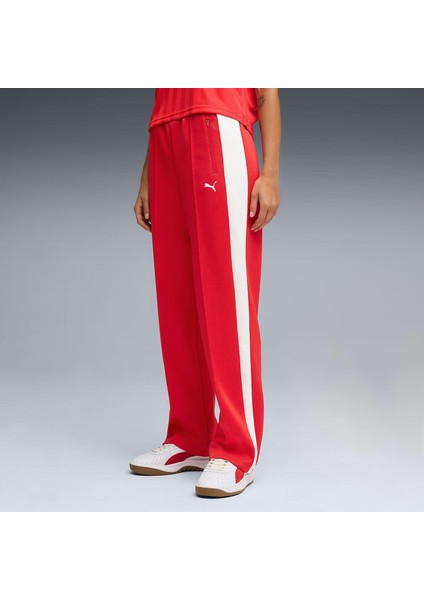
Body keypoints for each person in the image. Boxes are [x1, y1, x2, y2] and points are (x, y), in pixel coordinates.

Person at [130, 88, 281, 498]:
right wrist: (148, 174)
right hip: (165, 140)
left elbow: (266, 91)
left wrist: (269, 174)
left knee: (226, 299)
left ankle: (238, 450)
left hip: (218, 131)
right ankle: (190, 436)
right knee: (177, 301)